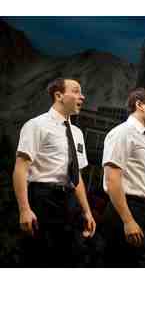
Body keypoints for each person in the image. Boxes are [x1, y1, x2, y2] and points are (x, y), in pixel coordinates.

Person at [13, 77, 96, 267]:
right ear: (59, 95)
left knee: (70, 259)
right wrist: (24, 209)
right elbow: (21, 168)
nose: (82, 96)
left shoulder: (77, 133)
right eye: (76, 91)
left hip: (70, 203)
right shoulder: (36, 125)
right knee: (39, 259)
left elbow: (77, 176)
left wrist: (87, 211)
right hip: (43, 199)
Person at [100, 87, 145, 267]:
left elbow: (142, 187)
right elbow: (112, 179)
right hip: (125, 210)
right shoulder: (123, 132)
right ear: (140, 105)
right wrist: (128, 220)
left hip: (142, 211)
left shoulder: (144, 138)